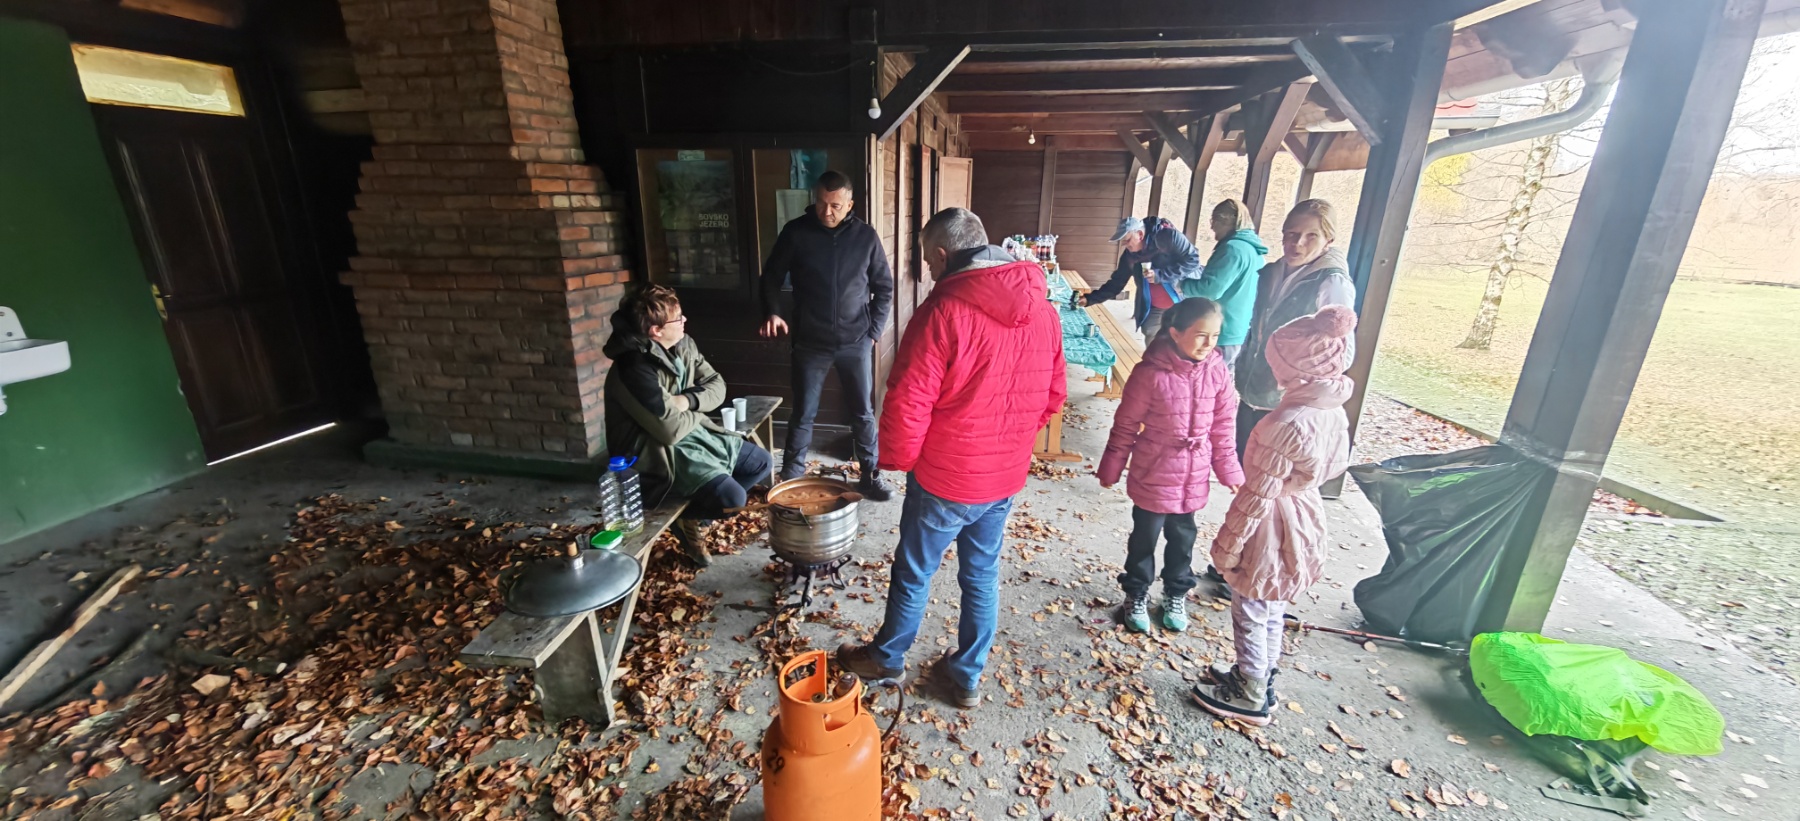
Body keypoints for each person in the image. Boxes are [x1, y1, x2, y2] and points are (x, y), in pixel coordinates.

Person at [836, 207, 1066, 709]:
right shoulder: (1044, 310)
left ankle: (887, 658)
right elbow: (1053, 397)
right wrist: (1011, 443)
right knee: (981, 574)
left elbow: (908, 400)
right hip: (1003, 477)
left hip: (946, 477)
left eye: (927, 260)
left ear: (942, 255)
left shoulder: (941, 311)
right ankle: (967, 676)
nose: (928, 269)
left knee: (915, 571)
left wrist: (897, 459)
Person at [1192, 305, 1356, 725]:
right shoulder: (1332, 409)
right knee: (1272, 604)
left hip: (1272, 525)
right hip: (1305, 513)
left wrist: (1226, 549)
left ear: (1292, 366)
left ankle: (1249, 692)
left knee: (1250, 606)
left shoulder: (1285, 423)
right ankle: (1262, 675)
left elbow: (1256, 497)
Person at [1097, 297, 1244, 634]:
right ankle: (1136, 593)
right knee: (1144, 537)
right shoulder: (1149, 373)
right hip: (1154, 469)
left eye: (1215, 336)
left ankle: (1176, 593)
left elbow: (1223, 425)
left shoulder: (1217, 370)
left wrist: (1229, 469)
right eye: (1200, 335)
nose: (1208, 344)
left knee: (1183, 538)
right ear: (1176, 333)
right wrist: (1111, 467)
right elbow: (1125, 424)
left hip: (1194, 473)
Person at [604, 285, 773, 567]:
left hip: (688, 430)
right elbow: (668, 431)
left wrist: (685, 401)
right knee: (733, 498)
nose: (685, 320)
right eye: (678, 318)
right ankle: (691, 514)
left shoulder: (682, 344)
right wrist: (697, 409)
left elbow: (718, 386)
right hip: (650, 450)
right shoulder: (634, 368)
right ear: (656, 331)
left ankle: (693, 519)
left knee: (761, 462)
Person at [759, 170, 895, 502]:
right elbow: (771, 277)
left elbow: (884, 289)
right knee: (803, 412)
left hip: (856, 341)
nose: (827, 211)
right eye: (821, 203)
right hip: (810, 342)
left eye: (835, 205)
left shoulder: (865, 237)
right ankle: (791, 477)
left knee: (862, 412)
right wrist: (773, 312)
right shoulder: (796, 232)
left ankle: (870, 475)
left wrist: (873, 332)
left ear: (849, 204)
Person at [1235, 199, 1354, 458]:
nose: (1297, 243)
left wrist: (1299, 382)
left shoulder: (1331, 282)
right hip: (1252, 389)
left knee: (1269, 472)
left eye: (1311, 236)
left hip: (1287, 403)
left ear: (1329, 240)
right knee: (1244, 462)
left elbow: (1342, 355)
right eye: (1291, 234)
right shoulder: (1272, 273)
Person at [1080, 216, 1203, 340]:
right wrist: (1090, 299)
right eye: (1123, 241)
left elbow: (1193, 260)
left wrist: (1160, 275)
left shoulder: (1169, 236)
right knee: (1149, 330)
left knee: (1182, 338)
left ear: (1139, 234)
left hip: (1181, 300)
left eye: (1127, 240)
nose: (1125, 245)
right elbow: (1116, 283)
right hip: (1155, 305)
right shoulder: (1130, 256)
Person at [1180, 199, 1268, 373]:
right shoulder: (1253, 250)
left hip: (1220, 329)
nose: (1212, 227)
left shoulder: (1232, 249)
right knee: (1223, 379)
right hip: (1238, 329)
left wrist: (1181, 284)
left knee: (1206, 379)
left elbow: (1209, 290)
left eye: (1214, 221)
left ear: (1225, 222)